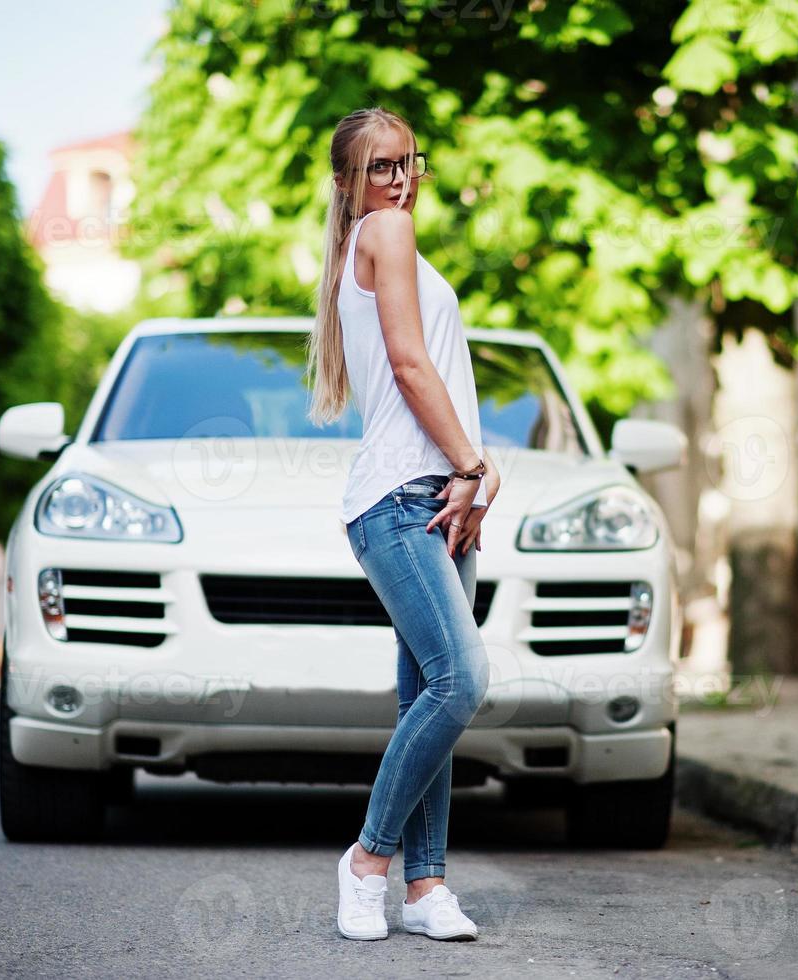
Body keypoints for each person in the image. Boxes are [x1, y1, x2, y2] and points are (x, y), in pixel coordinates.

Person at [306, 106, 502, 942]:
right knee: (463, 681)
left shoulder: (388, 238)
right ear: (349, 186)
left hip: (435, 498)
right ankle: (367, 862)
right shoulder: (383, 232)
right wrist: (471, 465)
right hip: (403, 499)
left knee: (428, 694)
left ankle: (426, 890)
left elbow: (434, 370)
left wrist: (469, 481)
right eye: (377, 167)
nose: (396, 179)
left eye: (406, 162)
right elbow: (412, 365)